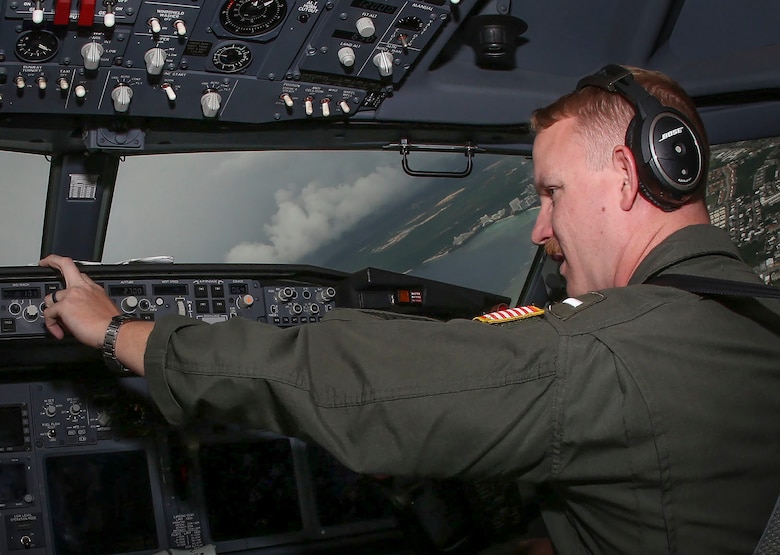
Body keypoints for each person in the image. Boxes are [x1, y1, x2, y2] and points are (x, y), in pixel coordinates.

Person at [40, 65, 780, 555]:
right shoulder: (754, 317)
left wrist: (118, 329)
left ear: (626, 174)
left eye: (550, 192)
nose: (539, 229)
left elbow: (355, 387)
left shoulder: (606, 352)